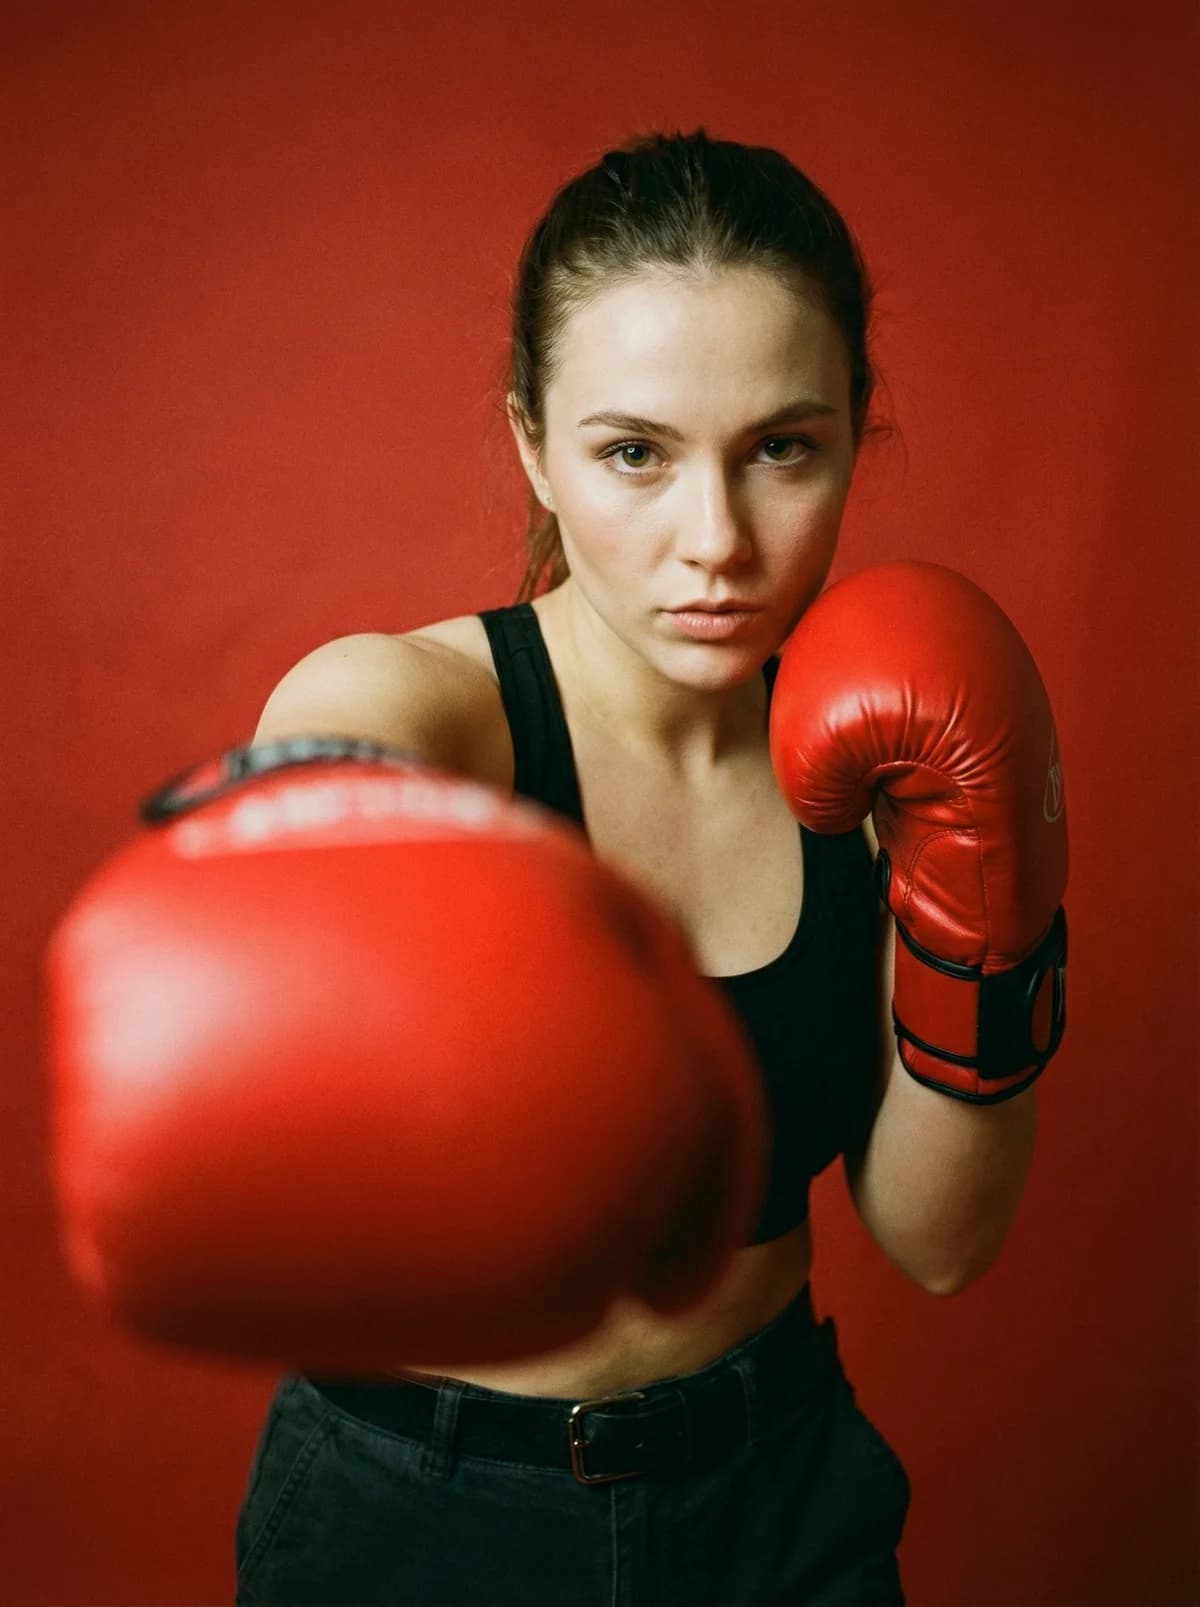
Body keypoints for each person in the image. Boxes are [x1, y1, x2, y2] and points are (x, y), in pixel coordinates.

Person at [50, 128, 1066, 1605]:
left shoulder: (888, 767)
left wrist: (995, 911)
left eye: (782, 447)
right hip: (423, 1516)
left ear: (857, 427)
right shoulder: (431, 710)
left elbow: (938, 1240)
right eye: (634, 454)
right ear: (535, 442)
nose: (712, 540)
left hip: (779, 1499)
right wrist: (318, 846)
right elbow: (334, 753)